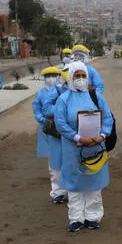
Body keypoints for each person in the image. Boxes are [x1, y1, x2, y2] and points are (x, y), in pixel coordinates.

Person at [55, 61, 114, 232]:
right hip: (73, 149)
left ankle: (93, 217)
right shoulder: (63, 99)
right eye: (77, 75)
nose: (80, 79)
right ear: (71, 77)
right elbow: (61, 123)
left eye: (83, 75)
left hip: (95, 146)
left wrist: (102, 135)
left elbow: (108, 118)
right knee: (75, 184)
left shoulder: (95, 96)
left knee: (93, 182)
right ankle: (76, 218)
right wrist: (78, 137)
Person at [33, 66, 68, 204]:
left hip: (64, 130)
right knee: (54, 162)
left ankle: (69, 189)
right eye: (48, 75)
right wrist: (42, 119)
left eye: (54, 75)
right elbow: (37, 109)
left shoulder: (64, 90)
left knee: (68, 159)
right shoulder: (41, 94)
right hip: (48, 130)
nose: (51, 78)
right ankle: (57, 192)